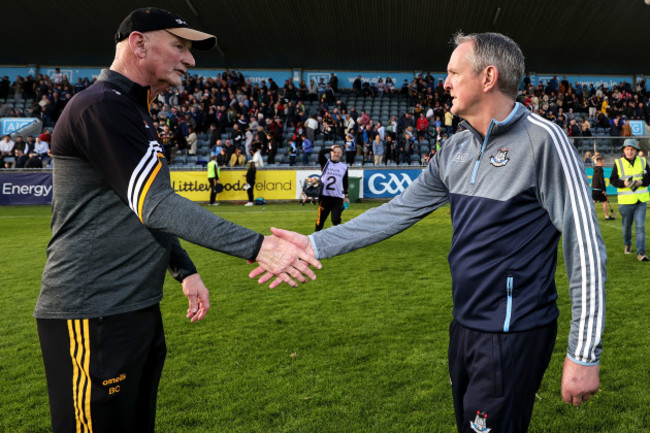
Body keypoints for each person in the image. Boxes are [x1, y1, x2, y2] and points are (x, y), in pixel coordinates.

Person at [255, 33, 606, 433]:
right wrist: (315, 242)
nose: (445, 82)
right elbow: (397, 212)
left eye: (454, 72)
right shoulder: (454, 149)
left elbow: (587, 251)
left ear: (488, 77)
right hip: (464, 325)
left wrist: (583, 353)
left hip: (514, 331)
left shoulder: (544, 141)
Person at [33, 8, 320, 433]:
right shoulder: (99, 108)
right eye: (180, 46)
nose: (190, 60)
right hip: (90, 312)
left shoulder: (132, 109)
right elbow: (158, 204)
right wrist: (262, 247)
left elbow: (137, 209)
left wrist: (183, 269)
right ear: (138, 43)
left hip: (133, 308)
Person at [609, 138, 649, 261]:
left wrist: (643, 181)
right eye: (627, 149)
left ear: (636, 151)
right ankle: (627, 244)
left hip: (640, 201)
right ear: (624, 150)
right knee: (626, 227)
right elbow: (612, 180)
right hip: (625, 202)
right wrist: (623, 183)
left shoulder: (643, 161)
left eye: (632, 149)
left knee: (640, 227)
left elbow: (649, 177)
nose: (630, 152)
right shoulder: (618, 163)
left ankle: (640, 253)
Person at [314, 145, 349, 231]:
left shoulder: (344, 167)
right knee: (321, 220)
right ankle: (315, 238)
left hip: (337, 197)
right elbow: (320, 153)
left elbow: (345, 181)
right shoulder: (326, 163)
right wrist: (330, 149)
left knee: (336, 220)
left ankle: (339, 239)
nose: (336, 154)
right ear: (331, 153)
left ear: (341, 154)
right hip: (324, 197)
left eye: (339, 153)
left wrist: (346, 196)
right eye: (334, 152)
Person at [591, 155, 615, 220]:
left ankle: (588, 215)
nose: (604, 163)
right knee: (605, 201)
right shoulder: (600, 169)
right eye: (603, 162)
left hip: (594, 188)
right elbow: (601, 180)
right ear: (599, 162)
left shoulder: (595, 169)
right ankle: (606, 216)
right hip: (599, 189)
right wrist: (604, 189)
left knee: (593, 202)